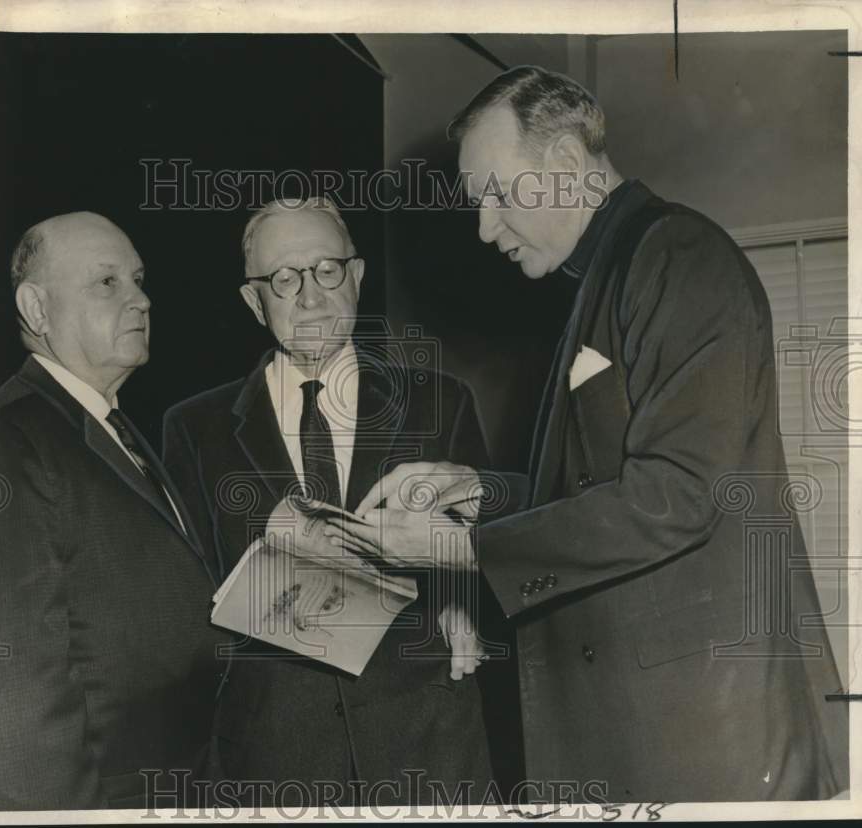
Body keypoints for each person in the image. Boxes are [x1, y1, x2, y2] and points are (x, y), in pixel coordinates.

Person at [325, 66, 848, 802]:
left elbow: (674, 495)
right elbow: (596, 491)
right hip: (651, 729)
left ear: (567, 164)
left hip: (700, 735)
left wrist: (457, 547)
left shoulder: (676, 257)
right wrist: (478, 490)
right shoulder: (604, 278)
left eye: (500, 196)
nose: (484, 228)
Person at [163, 197, 493, 806]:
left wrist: (464, 605)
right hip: (270, 758)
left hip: (426, 751)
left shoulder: (440, 404)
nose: (310, 297)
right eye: (284, 279)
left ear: (358, 277)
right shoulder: (193, 429)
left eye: (327, 270)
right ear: (253, 301)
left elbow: (493, 551)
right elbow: (185, 596)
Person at [0, 212, 224, 810]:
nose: (141, 298)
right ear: (37, 310)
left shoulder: (106, 427)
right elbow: (8, 713)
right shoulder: (1, 446)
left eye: (139, 279)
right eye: (107, 282)